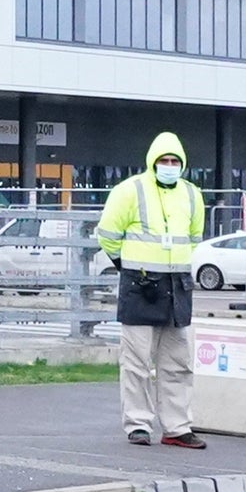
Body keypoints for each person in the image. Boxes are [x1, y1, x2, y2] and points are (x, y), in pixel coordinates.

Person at [93, 130, 205, 450]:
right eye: (163, 160)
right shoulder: (129, 190)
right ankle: (138, 424)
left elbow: (193, 237)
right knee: (137, 362)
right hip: (140, 285)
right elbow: (108, 236)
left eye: (174, 161)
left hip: (177, 286)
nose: (169, 165)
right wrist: (128, 266)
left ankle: (177, 427)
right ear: (152, 162)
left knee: (178, 363)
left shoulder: (192, 194)